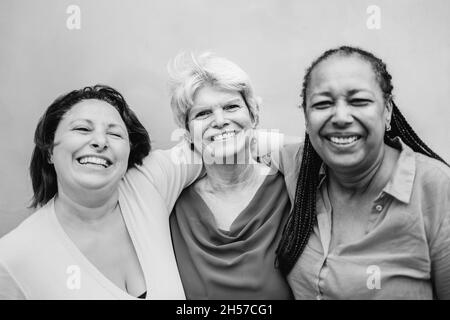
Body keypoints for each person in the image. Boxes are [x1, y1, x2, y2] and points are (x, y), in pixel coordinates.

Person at [274, 46, 450, 299]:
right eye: (323, 104)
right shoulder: (300, 166)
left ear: (387, 111)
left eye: (359, 101)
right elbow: (233, 142)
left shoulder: (436, 189)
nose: (341, 117)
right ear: (306, 117)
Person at [0, 85, 202, 299]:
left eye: (115, 134)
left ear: (128, 152)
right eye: (82, 129)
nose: (100, 141)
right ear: (50, 150)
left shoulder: (147, 183)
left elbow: (214, 147)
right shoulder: (13, 258)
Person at [168, 52, 295, 299]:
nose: (220, 121)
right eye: (202, 114)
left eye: (231, 107)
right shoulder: (171, 205)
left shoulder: (291, 187)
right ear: (187, 133)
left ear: (254, 115)